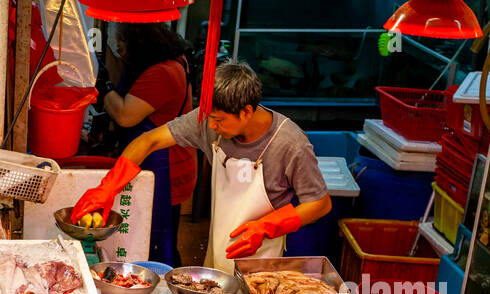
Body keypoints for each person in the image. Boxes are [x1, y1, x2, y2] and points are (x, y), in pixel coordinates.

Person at [74, 60, 331, 274]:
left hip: (262, 260)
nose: (210, 127)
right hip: (218, 250)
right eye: (208, 118)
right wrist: (108, 188)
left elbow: (320, 203)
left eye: (218, 120)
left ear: (246, 112)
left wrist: (266, 227)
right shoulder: (209, 120)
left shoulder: (291, 144)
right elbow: (149, 141)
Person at [98, 21, 195, 267]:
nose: (120, 51)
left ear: (141, 44)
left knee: (159, 235)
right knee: (160, 232)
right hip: (160, 159)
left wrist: (105, 87)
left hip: (165, 165)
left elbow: (125, 115)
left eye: (123, 45)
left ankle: (161, 279)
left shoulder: (162, 72)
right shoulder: (168, 61)